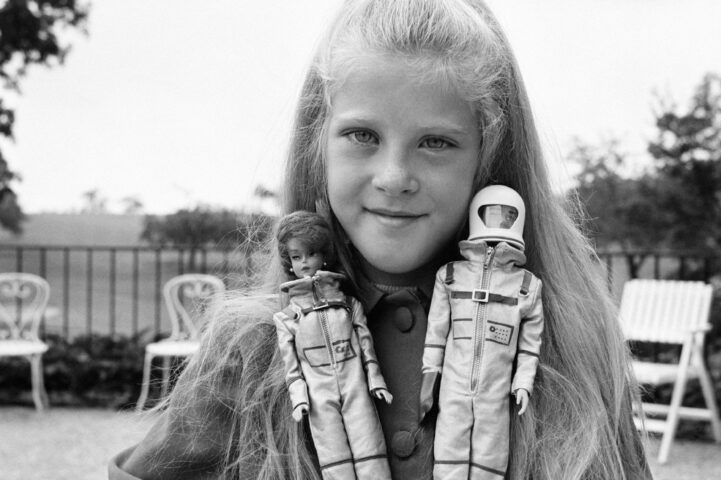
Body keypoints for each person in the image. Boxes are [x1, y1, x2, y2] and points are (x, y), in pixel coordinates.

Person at [109, 0, 652, 479]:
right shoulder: (249, 348)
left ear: (487, 160)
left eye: (436, 142)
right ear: (316, 145)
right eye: (362, 135)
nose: (395, 176)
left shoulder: (574, 343)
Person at [419, 185, 545, 480]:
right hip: (453, 386)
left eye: (506, 216)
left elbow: (530, 343)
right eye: (492, 214)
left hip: (496, 390)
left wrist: (523, 382)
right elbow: (436, 334)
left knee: (491, 455)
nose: (498, 222)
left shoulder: (526, 285)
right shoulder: (450, 276)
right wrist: (429, 377)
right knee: (449, 452)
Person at [273, 211, 393, 479]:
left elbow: (366, 347)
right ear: (288, 262)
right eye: (296, 256)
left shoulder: (349, 306)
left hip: (356, 387)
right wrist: (299, 398)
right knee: (334, 460)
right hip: (319, 397)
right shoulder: (287, 319)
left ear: (324, 254)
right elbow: (291, 365)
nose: (304, 262)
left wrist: (376, 380)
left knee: (371, 450)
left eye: (311, 253)